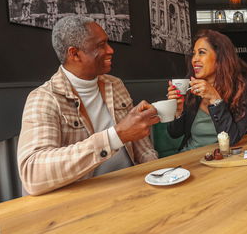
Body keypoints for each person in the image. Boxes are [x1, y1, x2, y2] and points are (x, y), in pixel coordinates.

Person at [17, 16, 160, 195]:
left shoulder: (115, 84)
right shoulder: (44, 99)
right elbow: (33, 174)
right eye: (101, 45)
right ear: (75, 54)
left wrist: (157, 174)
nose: (111, 50)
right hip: (85, 198)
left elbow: (141, 146)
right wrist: (115, 136)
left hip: (131, 185)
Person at [166, 29, 247, 152]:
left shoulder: (245, 86)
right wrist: (178, 110)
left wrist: (215, 99)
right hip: (190, 156)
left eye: (202, 52)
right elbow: (174, 133)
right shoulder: (190, 84)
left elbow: (232, 139)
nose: (194, 59)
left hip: (225, 157)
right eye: (194, 53)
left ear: (220, 57)